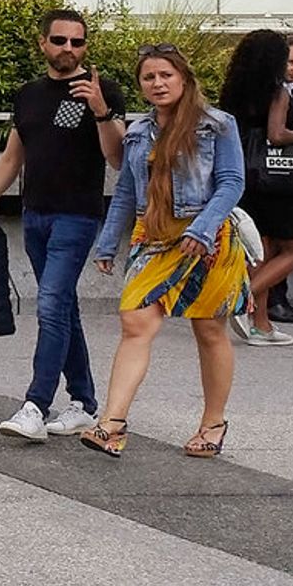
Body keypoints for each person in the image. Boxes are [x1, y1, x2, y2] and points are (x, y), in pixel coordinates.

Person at [0, 7, 123, 441]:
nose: (68, 49)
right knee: (63, 306)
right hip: (35, 214)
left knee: (51, 304)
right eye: (60, 41)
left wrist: (100, 110)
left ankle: (35, 404)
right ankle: (84, 402)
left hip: (78, 215)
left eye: (77, 42)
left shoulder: (102, 90)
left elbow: (117, 158)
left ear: (85, 47)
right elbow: (12, 157)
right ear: (43, 44)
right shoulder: (29, 95)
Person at [83, 45, 245, 457]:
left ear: (184, 78)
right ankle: (112, 423)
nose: (157, 84)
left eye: (165, 75)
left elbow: (231, 184)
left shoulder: (218, 125)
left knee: (209, 330)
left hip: (208, 238)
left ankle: (213, 423)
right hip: (152, 237)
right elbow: (125, 190)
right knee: (135, 321)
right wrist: (107, 242)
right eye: (149, 78)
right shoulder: (138, 132)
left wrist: (204, 229)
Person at [218, 31, 293, 346]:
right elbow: (277, 135)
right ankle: (241, 297)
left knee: (261, 253)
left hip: (245, 177)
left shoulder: (236, 90)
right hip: (277, 181)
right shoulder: (277, 91)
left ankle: (261, 324)